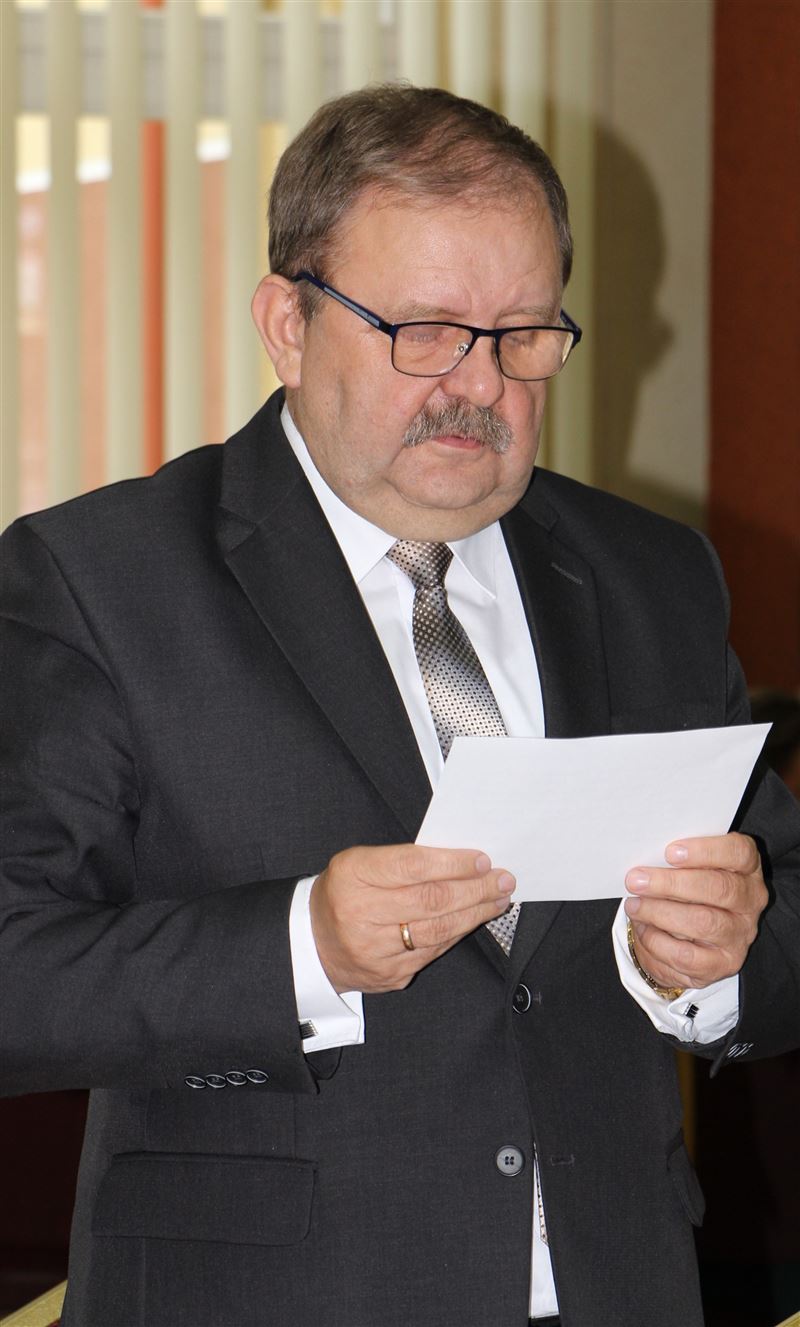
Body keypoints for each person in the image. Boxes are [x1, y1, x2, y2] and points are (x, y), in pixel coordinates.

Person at [1, 85, 798, 1327]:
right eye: (423, 330)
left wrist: (716, 967)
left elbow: (781, 903)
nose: (475, 383)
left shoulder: (649, 576)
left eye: (521, 334)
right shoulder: (100, 580)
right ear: (288, 324)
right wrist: (301, 947)